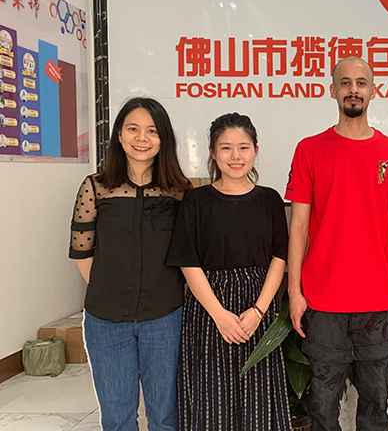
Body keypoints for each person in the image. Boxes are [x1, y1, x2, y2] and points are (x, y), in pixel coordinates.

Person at [285, 56, 388, 431]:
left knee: (375, 406)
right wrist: (295, 291)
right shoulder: (310, 149)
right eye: (345, 82)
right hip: (323, 302)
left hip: (378, 301)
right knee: (322, 409)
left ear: (373, 91)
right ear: (333, 90)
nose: (353, 89)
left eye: (361, 83)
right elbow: (298, 226)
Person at [69, 97, 191, 431]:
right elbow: (82, 252)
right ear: (119, 136)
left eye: (152, 131)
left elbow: (190, 255)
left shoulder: (179, 192)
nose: (142, 138)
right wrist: (111, 289)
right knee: (117, 417)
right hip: (106, 320)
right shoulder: (96, 187)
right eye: (133, 129)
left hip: (165, 318)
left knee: (165, 416)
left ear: (163, 139)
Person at [166, 112, 290, 430]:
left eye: (243, 147)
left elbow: (280, 258)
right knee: (211, 401)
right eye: (226, 148)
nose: (235, 156)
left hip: (258, 307)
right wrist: (219, 315)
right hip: (209, 309)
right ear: (212, 152)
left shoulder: (270, 200)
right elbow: (188, 262)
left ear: (255, 150)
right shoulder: (196, 201)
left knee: (259, 400)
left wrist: (259, 311)